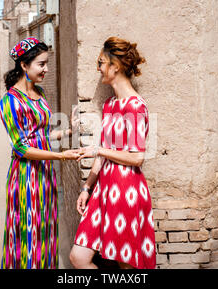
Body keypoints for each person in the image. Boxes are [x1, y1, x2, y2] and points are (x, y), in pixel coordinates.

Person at [70, 37, 156, 269]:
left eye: (101, 62)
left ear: (114, 67)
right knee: (78, 258)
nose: (98, 68)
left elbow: (137, 157)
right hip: (103, 190)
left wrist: (99, 149)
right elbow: (103, 154)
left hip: (126, 191)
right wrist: (87, 188)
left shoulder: (136, 106)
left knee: (126, 264)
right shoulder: (110, 105)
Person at [0, 37, 80, 269]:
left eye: (47, 63)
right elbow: (23, 147)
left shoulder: (40, 92)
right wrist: (62, 156)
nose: (46, 69)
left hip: (45, 176)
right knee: (28, 239)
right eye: (41, 64)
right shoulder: (11, 101)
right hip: (26, 178)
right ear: (24, 65)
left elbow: (39, 136)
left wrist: (68, 131)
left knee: (46, 238)